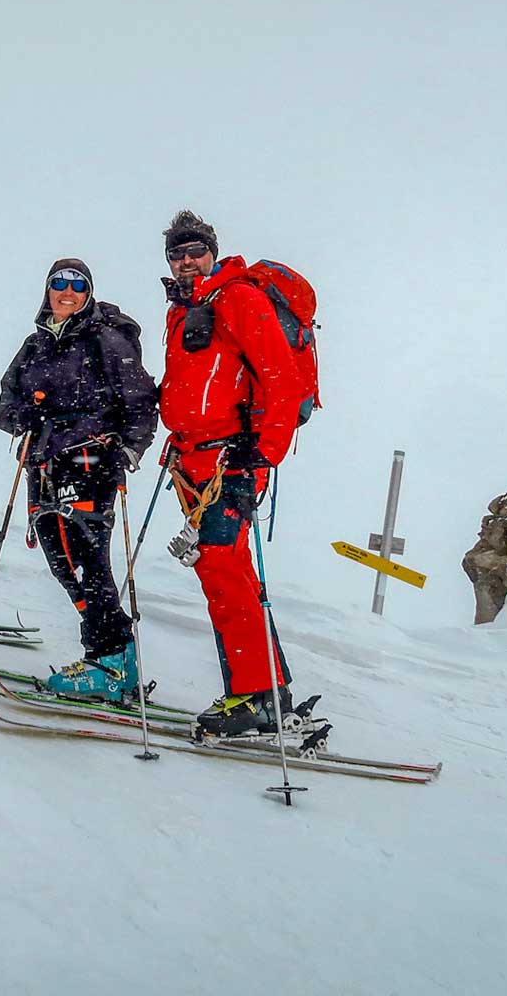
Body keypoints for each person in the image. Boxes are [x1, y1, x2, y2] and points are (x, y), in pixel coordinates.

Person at [156, 210, 308, 737]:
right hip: (193, 461)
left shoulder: (238, 297)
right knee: (225, 571)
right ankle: (266, 688)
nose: (186, 260)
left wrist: (260, 455)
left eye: (195, 249)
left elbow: (282, 381)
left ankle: (255, 695)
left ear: (213, 251)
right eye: (177, 253)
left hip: (230, 461)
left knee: (224, 569)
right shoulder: (182, 309)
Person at [0, 258, 159, 702]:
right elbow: (7, 400)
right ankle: (112, 649)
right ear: (47, 290)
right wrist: (23, 415)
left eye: (76, 285)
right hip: (43, 462)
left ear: (88, 293)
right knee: (60, 556)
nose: (66, 292)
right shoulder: (36, 343)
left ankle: (107, 656)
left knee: (87, 555)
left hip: (90, 460)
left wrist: (129, 446)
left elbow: (140, 397)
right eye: (58, 284)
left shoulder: (105, 339)